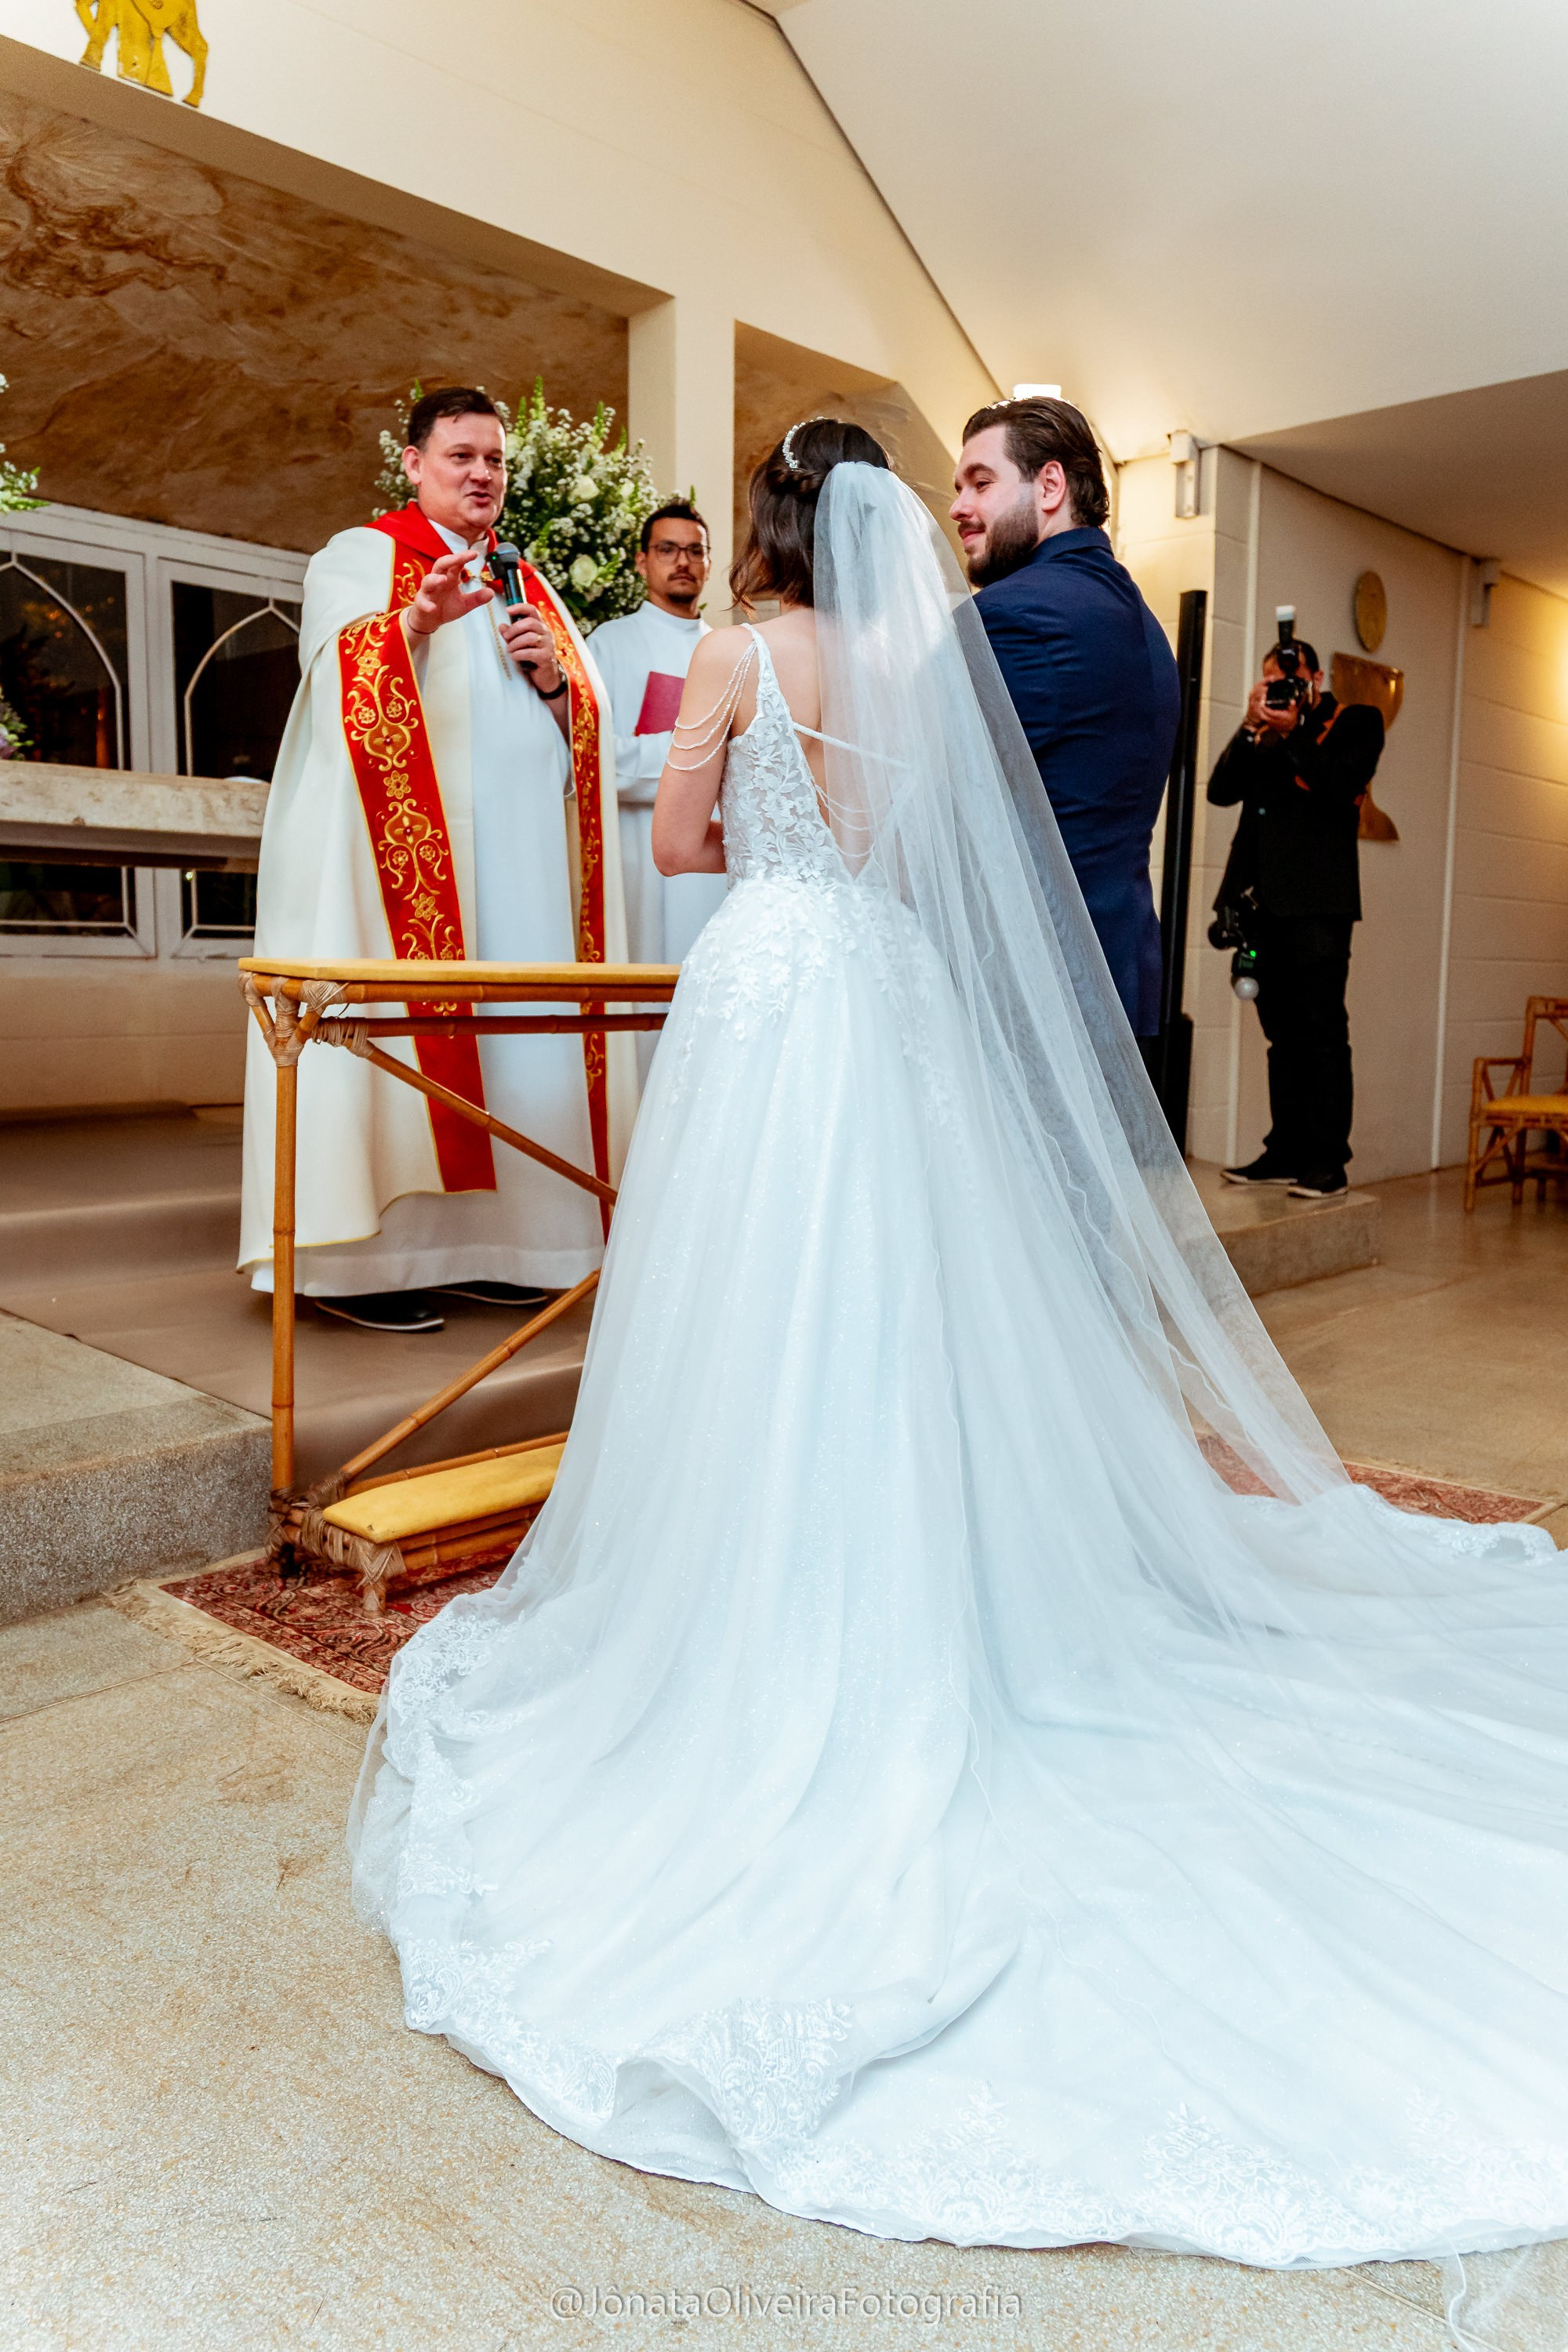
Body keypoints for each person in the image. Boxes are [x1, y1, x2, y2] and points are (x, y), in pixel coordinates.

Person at [350, 423, 1568, 2278]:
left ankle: (758, 1592)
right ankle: (937, 1576)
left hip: (772, 986)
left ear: (767, 524)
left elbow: (675, 841)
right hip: (884, 989)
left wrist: (742, 826)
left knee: (748, 1298)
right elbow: (930, 856)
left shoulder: (740, 652)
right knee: (897, 1298)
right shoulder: (927, 675)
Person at [238, 387, 634, 1333]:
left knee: (514, 1045)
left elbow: (590, 733)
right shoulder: (362, 555)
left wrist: (557, 683)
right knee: (400, 1053)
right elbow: (330, 687)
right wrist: (414, 622)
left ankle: (511, 1248)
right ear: (413, 464)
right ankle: (366, 1269)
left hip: (523, 879)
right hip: (407, 879)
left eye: (494, 459)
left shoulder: (527, 582)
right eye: (461, 456)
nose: (482, 474)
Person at [952, 396, 1179, 1046]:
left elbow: (940, 797)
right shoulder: (1144, 622)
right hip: (1123, 974)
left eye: (981, 483)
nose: (958, 507)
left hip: (1031, 990)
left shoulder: (1012, 613)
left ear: (1050, 485)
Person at [1208, 633, 1384, 1199]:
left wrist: (1293, 733)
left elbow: (1338, 787)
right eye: (1272, 682)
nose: (1282, 690)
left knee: (1322, 1033)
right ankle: (1284, 1150)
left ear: (1317, 680)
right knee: (1280, 1036)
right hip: (1262, 907)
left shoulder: (1356, 722)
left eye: (1292, 680)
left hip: (1319, 908)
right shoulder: (1263, 733)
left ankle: (1328, 1160)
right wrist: (1250, 725)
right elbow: (1220, 792)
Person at [589, 501, 728, 1079]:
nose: (682, 562)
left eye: (695, 550)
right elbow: (597, 759)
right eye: (667, 550)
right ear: (642, 561)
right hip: (636, 856)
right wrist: (695, 762)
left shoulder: (729, 651)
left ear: (709, 563)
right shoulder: (609, 645)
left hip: (709, 865)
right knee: (640, 1009)